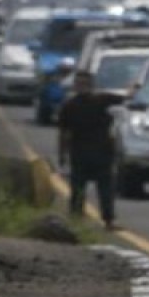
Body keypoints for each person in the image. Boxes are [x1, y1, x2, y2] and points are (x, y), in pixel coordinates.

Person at [56, 69, 125, 231]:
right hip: (86, 152)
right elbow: (64, 133)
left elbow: (64, 134)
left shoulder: (96, 101)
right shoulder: (75, 105)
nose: (82, 87)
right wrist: (62, 154)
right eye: (80, 83)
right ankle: (98, 220)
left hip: (97, 152)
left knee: (97, 188)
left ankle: (95, 219)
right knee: (86, 188)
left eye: (84, 84)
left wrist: (62, 155)